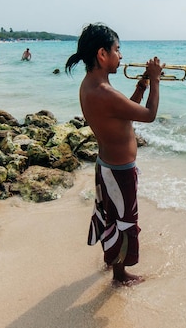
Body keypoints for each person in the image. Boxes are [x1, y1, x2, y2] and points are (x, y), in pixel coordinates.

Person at [65, 23, 163, 286]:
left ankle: (112, 261)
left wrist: (142, 83)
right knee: (123, 223)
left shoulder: (91, 86)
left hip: (107, 166)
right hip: (120, 172)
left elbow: (125, 112)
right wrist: (155, 79)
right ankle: (120, 276)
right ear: (102, 54)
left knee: (111, 218)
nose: (120, 56)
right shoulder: (105, 92)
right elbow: (149, 115)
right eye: (117, 50)